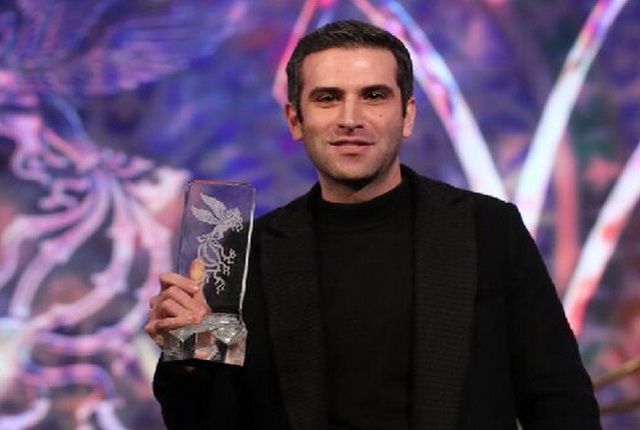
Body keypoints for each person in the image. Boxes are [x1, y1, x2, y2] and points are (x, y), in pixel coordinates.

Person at [146, 19, 600, 429]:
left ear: (408, 115)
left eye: (374, 96)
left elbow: (559, 399)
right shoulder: (243, 255)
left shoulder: (489, 229)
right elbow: (208, 420)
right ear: (295, 120)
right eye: (328, 98)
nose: (351, 119)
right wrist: (189, 354)